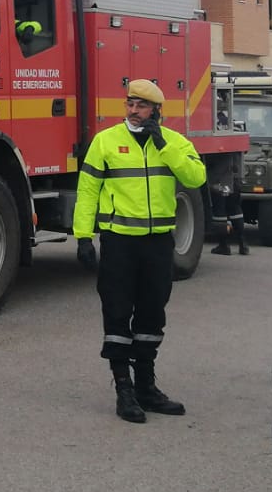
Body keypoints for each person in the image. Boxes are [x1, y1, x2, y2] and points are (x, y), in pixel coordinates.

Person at [73, 78, 207, 423]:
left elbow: (195, 178)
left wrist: (164, 145)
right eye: (130, 104)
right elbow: (87, 191)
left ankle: (146, 386)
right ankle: (124, 390)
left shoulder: (174, 142)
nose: (134, 111)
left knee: (151, 313)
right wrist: (84, 237)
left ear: (156, 112)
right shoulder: (105, 141)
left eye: (142, 106)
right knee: (117, 313)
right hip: (119, 242)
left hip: (158, 243)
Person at [207, 151, 249, 257]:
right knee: (235, 209)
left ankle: (224, 245)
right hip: (235, 176)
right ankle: (243, 244)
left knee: (220, 212)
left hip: (219, 176)